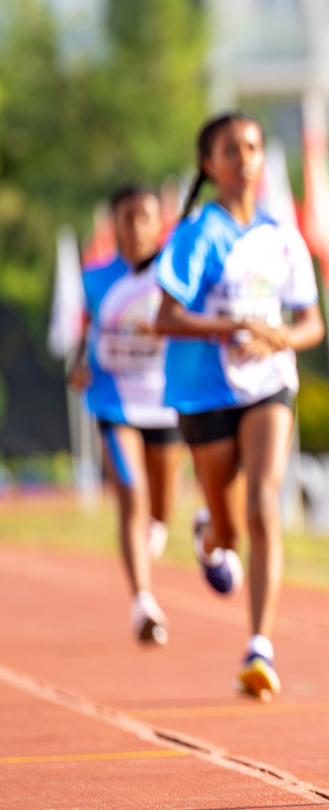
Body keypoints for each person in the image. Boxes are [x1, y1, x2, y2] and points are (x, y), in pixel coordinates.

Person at [154, 112, 324, 701]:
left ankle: (259, 648)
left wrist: (279, 338)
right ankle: (208, 534)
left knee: (262, 504)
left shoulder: (282, 235)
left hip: (268, 384)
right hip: (204, 392)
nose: (246, 157)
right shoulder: (198, 232)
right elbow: (164, 318)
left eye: (252, 146)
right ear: (210, 164)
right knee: (229, 530)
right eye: (232, 148)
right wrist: (229, 327)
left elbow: (311, 324)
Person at [69, 184, 186, 645]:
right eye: (127, 217)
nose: (136, 226)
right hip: (114, 401)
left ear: (160, 223)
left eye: (145, 217)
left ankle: (153, 534)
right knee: (131, 496)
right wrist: (78, 365)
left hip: (167, 403)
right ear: (113, 223)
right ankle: (143, 602)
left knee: (160, 510)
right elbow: (82, 332)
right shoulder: (94, 278)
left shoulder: (174, 276)